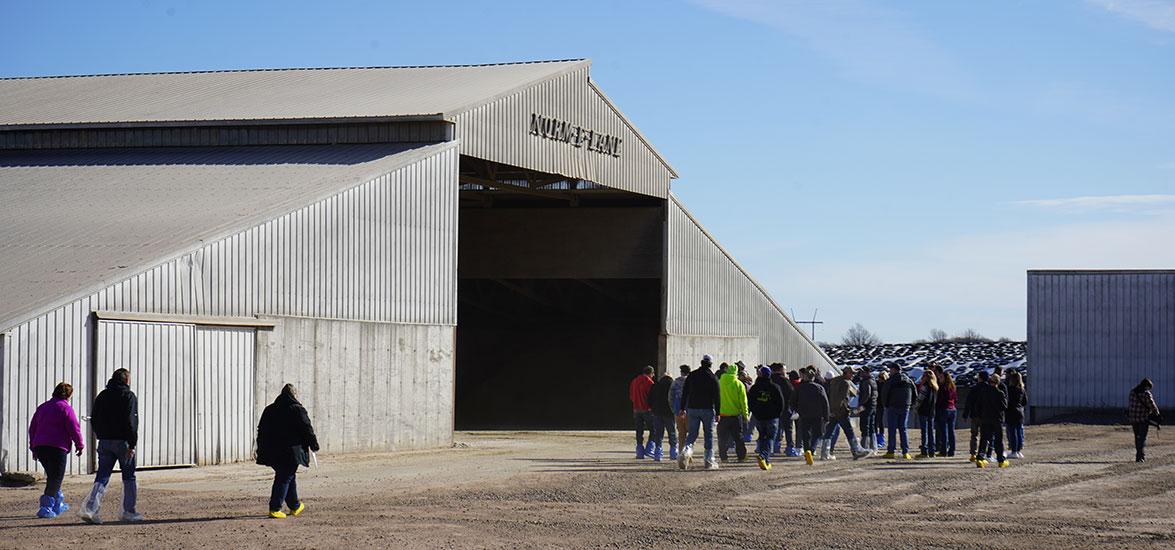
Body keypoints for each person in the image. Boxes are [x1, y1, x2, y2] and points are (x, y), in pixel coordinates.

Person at [79, 368, 143, 524]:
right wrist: (132, 444)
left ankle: (90, 509)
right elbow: (131, 422)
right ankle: (128, 511)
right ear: (126, 380)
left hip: (105, 441)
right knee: (129, 477)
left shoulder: (102, 395)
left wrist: (101, 434)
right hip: (123, 441)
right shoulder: (128, 396)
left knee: (102, 476)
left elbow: (94, 418)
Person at [256, 384, 321, 518]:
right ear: (294, 395)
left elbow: (261, 430)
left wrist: (261, 448)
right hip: (291, 451)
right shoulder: (297, 410)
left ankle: (294, 506)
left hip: (271, 451)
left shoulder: (269, 409)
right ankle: (275, 508)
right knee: (284, 477)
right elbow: (307, 429)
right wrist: (314, 444)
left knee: (287, 475)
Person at [27, 382, 84, 519]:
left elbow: (33, 428)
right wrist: (79, 444)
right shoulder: (65, 408)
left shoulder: (42, 407)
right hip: (57, 447)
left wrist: (33, 446)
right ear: (69, 395)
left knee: (53, 476)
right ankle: (46, 507)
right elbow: (74, 428)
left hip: (41, 447)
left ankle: (58, 503)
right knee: (56, 478)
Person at [678, 355, 722, 470]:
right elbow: (717, 397)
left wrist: (682, 408)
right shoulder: (713, 378)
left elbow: (685, 392)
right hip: (707, 409)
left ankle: (686, 451)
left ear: (701, 363)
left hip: (692, 408)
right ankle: (708, 460)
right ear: (711, 364)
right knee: (709, 435)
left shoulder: (692, 375)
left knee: (692, 433)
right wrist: (718, 412)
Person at [822, 367, 869, 460]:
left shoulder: (834, 381)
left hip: (832, 410)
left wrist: (831, 411)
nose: (853, 375)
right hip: (841, 411)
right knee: (849, 431)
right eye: (851, 373)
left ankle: (825, 452)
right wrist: (845, 409)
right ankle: (856, 450)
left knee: (829, 431)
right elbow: (841, 399)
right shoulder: (846, 383)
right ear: (846, 373)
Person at [747, 367, 785, 470]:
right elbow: (781, 403)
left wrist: (755, 412)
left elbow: (750, 402)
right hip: (772, 417)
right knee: (770, 438)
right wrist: (777, 414)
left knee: (762, 436)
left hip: (759, 417)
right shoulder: (775, 387)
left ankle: (764, 457)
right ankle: (764, 456)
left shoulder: (755, 388)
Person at [795, 368, 829, 466]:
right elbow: (825, 403)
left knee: (806, 434)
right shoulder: (819, 387)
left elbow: (793, 400)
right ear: (813, 377)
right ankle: (812, 449)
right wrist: (826, 416)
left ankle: (807, 452)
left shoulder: (800, 387)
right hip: (817, 414)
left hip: (804, 414)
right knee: (817, 433)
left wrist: (796, 410)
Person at [975, 374, 1009, 468]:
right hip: (996, 419)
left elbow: (978, 405)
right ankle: (1001, 460)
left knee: (984, 439)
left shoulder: (983, 392)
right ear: (998, 382)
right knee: (998, 440)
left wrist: (980, 415)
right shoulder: (1000, 393)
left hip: (985, 418)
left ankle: (980, 458)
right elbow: (1004, 406)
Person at [717, 362, 750, 463]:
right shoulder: (739, 384)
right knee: (738, 437)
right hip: (735, 415)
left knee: (723, 437)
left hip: (722, 415)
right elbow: (743, 401)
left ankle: (723, 457)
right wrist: (746, 415)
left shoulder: (719, 382)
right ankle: (741, 456)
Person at [881, 365, 916, 459]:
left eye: (890, 369)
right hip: (905, 407)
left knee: (892, 430)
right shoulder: (908, 380)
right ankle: (906, 452)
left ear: (894, 370)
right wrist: (910, 404)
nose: (889, 372)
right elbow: (914, 393)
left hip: (893, 407)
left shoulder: (891, 381)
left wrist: (886, 405)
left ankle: (891, 451)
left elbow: (884, 393)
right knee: (903, 429)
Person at [1127, 378, 1161, 463]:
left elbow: (1130, 405)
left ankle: (1139, 455)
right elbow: (1152, 406)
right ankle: (1140, 457)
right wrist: (1157, 414)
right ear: (1146, 386)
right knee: (1142, 438)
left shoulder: (1132, 392)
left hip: (1133, 419)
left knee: (1137, 437)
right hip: (1143, 419)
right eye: (1149, 388)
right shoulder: (1146, 394)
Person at [647, 374, 678, 462]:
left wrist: (652, 408)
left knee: (658, 433)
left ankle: (658, 453)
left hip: (657, 412)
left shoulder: (655, 385)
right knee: (671, 432)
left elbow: (649, 399)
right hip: (669, 412)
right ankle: (673, 452)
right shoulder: (673, 385)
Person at [770, 364, 798, 457]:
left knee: (777, 429)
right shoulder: (784, 380)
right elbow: (792, 393)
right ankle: (790, 448)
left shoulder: (769, 379)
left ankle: (775, 447)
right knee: (788, 429)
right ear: (781, 370)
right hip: (785, 408)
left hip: (773, 409)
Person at [628, 366, 656, 459]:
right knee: (654, 430)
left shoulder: (634, 381)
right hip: (647, 409)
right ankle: (649, 449)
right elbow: (652, 397)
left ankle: (639, 451)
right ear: (651, 373)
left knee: (639, 430)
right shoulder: (649, 382)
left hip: (636, 409)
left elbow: (631, 396)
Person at [963, 370, 990, 462]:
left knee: (974, 435)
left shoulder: (974, 388)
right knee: (984, 435)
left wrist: (965, 414)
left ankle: (973, 454)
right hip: (985, 415)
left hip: (975, 415)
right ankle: (982, 453)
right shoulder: (989, 388)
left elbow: (968, 402)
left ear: (980, 378)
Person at [915, 370, 938, 459]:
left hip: (923, 411)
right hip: (931, 411)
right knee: (931, 431)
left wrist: (916, 408)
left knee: (924, 432)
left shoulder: (925, 387)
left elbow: (920, 400)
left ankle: (924, 451)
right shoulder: (935, 388)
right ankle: (932, 451)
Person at [935, 371, 958, 457]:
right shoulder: (953, 387)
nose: (939, 379)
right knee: (951, 431)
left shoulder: (942, 387)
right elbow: (956, 399)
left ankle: (943, 450)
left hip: (944, 409)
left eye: (941, 378)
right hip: (952, 409)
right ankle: (952, 450)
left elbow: (939, 400)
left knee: (944, 431)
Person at [1005, 370, 1028, 459]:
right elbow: (1025, 401)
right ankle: (1018, 450)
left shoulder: (1010, 389)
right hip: (1020, 412)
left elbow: (1007, 401)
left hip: (1011, 412)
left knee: (1012, 432)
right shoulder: (1022, 389)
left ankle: (1014, 450)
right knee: (1019, 431)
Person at [670, 364, 690, 459]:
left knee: (681, 434)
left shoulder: (675, 382)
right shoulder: (692, 382)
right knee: (691, 434)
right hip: (690, 411)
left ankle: (681, 454)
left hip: (678, 411)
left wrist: (674, 409)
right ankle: (688, 454)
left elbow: (670, 397)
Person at [857, 369, 878, 454]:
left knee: (865, 427)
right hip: (873, 406)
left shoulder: (866, 382)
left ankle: (864, 447)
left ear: (866, 372)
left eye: (862, 372)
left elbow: (867, 395)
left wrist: (861, 404)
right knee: (872, 427)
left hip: (866, 407)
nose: (861, 374)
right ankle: (874, 447)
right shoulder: (873, 381)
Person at [875, 370, 889, 449]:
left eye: (882, 377)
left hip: (882, 405)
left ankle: (881, 439)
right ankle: (877, 439)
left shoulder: (886, 384)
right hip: (877, 405)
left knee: (880, 422)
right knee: (876, 423)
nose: (880, 379)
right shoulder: (877, 384)